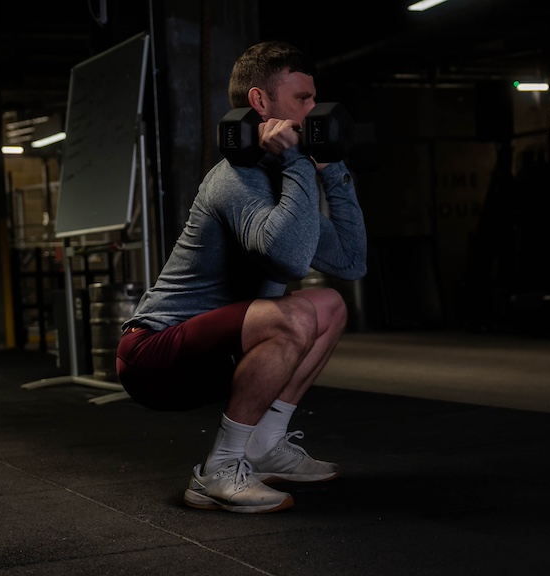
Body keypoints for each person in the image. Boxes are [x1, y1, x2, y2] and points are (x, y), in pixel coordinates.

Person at [115, 40, 367, 514]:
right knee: (291, 317)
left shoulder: (286, 178)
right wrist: (297, 163)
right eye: (303, 99)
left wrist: (331, 171)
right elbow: (291, 261)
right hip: (153, 356)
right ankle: (218, 470)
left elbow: (352, 263)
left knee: (330, 306)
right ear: (260, 103)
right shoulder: (235, 178)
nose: (316, 110)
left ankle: (266, 446)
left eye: (316, 98)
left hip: (220, 349)